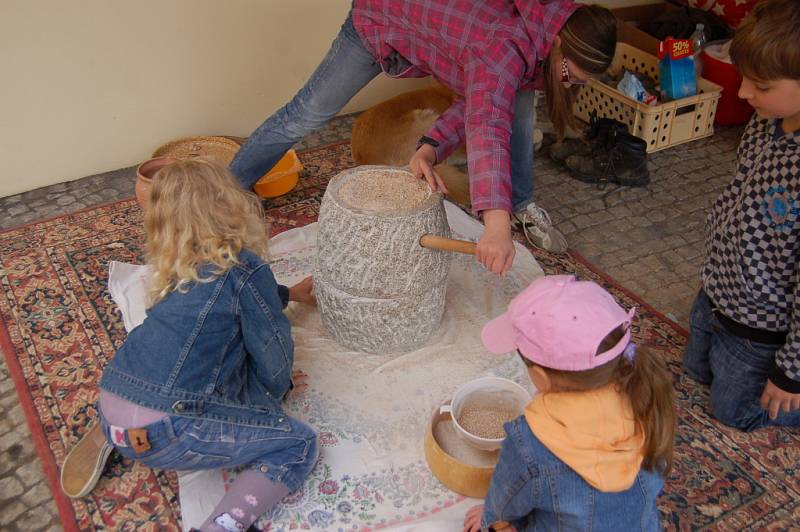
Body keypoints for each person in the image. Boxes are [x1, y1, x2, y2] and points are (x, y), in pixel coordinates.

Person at [230, 0, 618, 273]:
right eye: (573, 74)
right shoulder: (504, 47)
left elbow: (481, 95)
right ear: (563, 45)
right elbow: (486, 129)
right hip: (382, 15)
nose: (571, 84)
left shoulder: (555, 26)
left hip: (435, 26)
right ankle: (225, 190)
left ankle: (520, 203)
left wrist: (430, 147)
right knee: (306, 113)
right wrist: (496, 229)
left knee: (511, 99)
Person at [59, 158, 318, 532]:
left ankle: (110, 430)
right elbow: (271, 344)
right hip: (169, 429)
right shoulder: (246, 268)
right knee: (300, 444)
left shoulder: (173, 262)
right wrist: (276, 390)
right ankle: (221, 525)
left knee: (171, 344)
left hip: (114, 392)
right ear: (232, 204)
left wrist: (288, 294)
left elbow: (231, 300)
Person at [464, 275, 676, 531]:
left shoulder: (528, 441)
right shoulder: (647, 393)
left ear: (539, 377)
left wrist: (491, 516)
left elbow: (506, 500)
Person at [682, 0, 800, 431]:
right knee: (694, 372)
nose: (744, 92)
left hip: (760, 327)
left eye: (761, 85)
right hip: (718, 291)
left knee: (732, 411)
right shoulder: (767, 119)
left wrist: (790, 373)